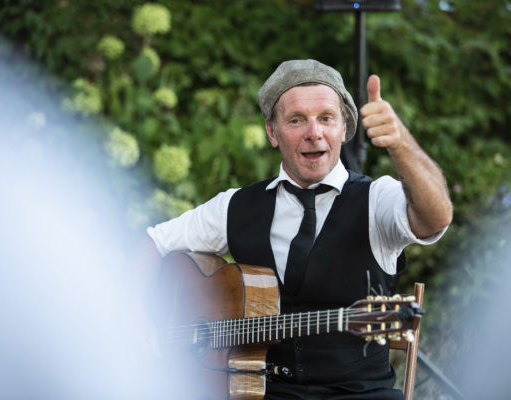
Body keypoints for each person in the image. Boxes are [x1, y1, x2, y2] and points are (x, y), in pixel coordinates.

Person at [142, 59, 452, 399]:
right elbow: (153, 244)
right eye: (296, 120)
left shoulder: (377, 200)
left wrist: (400, 144)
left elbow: (435, 218)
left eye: (326, 118)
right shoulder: (236, 206)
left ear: (345, 129)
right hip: (257, 393)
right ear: (272, 132)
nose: (314, 133)